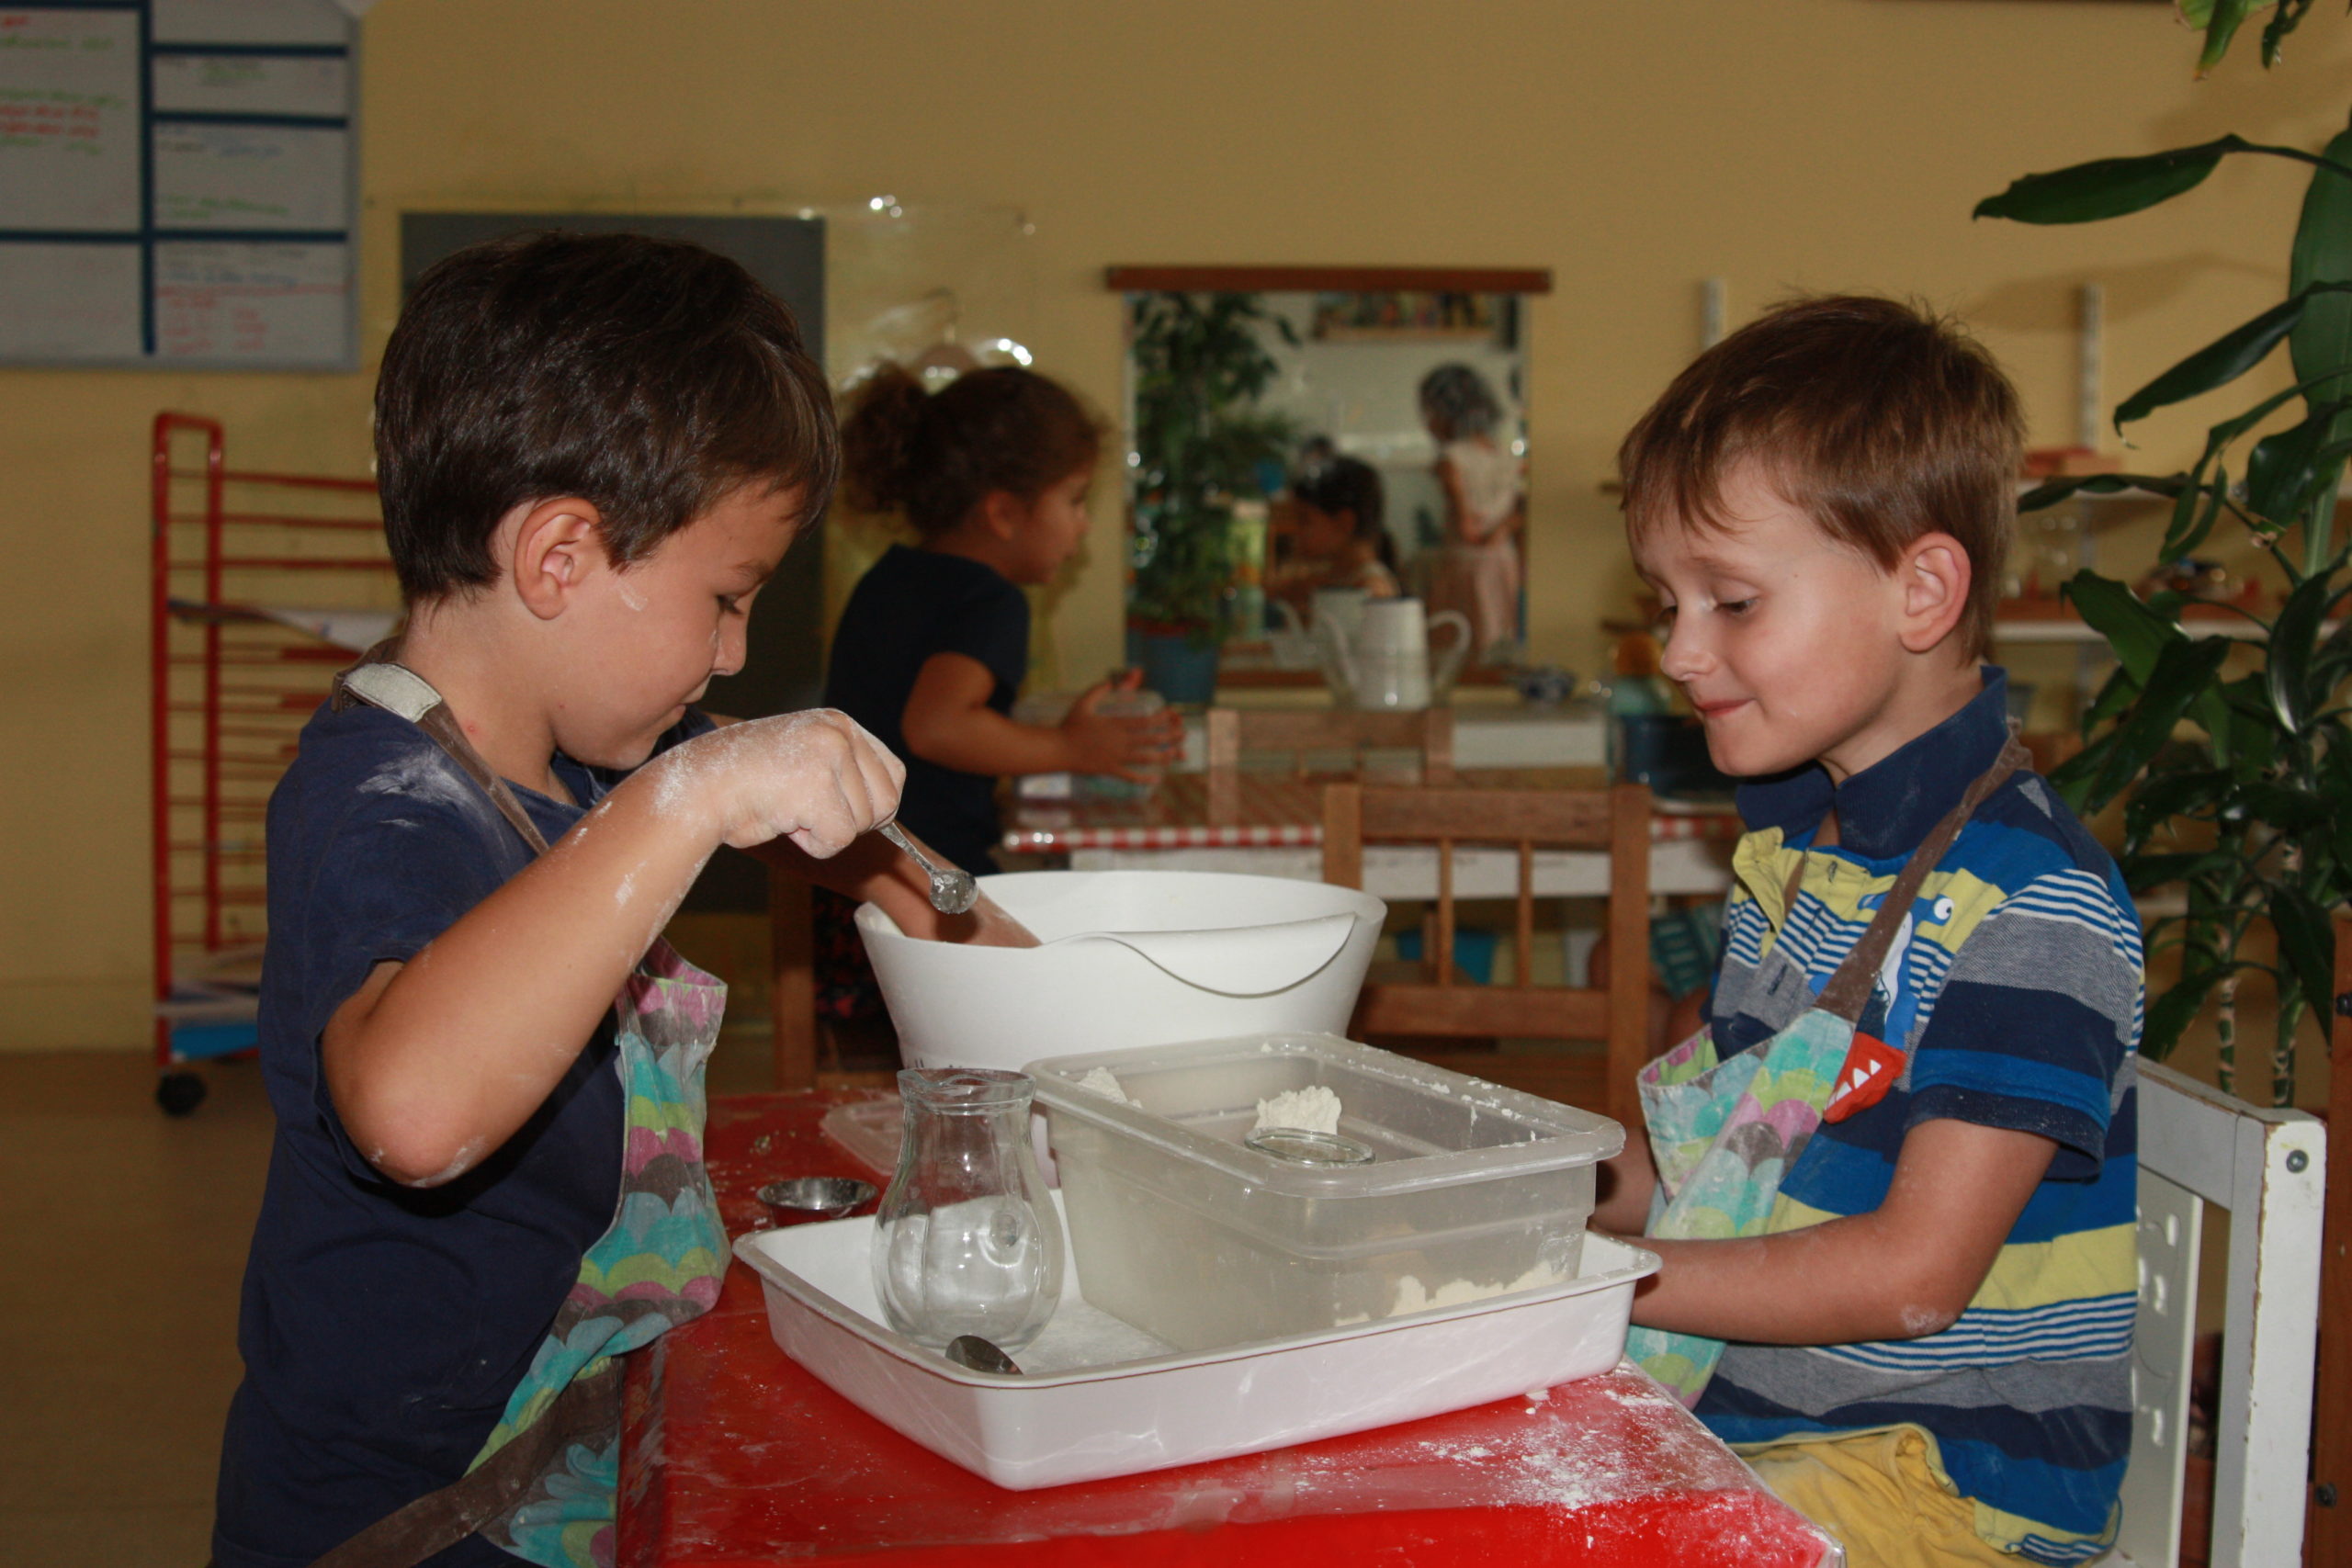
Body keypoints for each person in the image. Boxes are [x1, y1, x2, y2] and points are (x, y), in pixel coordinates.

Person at [211, 231, 1025, 1568]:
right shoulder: (381, 793)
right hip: (413, 1524)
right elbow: (413, 1110)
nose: (732, 652)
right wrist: (692, 792)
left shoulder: (585, 761)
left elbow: (863, 860)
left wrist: (1003, 948)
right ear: (560, 556)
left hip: (567, 1466)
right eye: (724, 599)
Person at [1600, 295, 2141, 1568]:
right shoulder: (1799, 862)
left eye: (1730, 600)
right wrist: (1474, 1185)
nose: (1678, 649)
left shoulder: (2032, 900)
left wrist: (1582, 1268)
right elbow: (1706, 1178)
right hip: (1766, 1430)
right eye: (1666, 598)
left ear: (1922, 588)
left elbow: (1912, 1275)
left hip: (1943, 1485)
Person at [816, 364, 1181, 1029]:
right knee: (1101, 977)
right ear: (1005, 512)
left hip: (847, 907)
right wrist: (1070, 747)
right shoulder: (991, 600)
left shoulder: (892, 577)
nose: (1082, 529)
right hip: (925, 913)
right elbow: (937, 728)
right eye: (1074, 501)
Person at [1419, 363, 1523, 660]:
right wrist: (1501, 532)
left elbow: (1466, 528)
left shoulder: (1452, 459)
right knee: (1498, 640)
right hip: (1503, 559)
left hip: (1466, 565)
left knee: (1458, 647)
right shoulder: (1506, 455)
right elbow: (1517, 513)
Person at [1269, 453, 1401, 611]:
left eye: (1304, 520)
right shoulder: (1333, 579)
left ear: (1344, 522)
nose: (1295, 531)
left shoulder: (1372, 590)